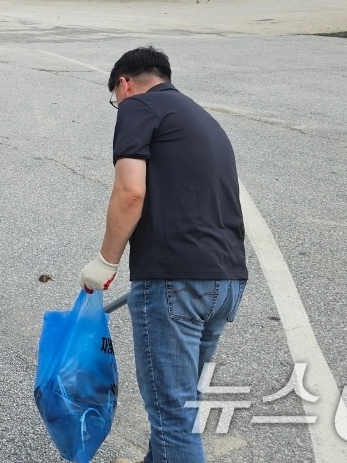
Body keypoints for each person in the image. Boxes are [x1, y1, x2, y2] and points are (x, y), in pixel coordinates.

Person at [81, 47, 247, 463]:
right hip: (226, 280)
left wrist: (106, 261)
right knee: (181, 406)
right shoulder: (199, 117)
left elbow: (130, 191)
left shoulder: (138, 107)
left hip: (176, 282)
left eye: (116, 98)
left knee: (173, 416)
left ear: (124, 84)